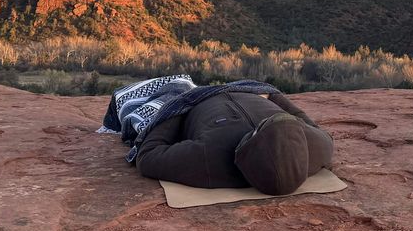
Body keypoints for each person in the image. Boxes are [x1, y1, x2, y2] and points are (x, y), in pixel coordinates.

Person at [103, 75, 334, 195]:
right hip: (248, 90)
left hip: (196, 101)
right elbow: (300, 116)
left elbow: (148, 156)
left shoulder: (210, 159)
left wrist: (177, 108)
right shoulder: (316, 147)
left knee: (170, 84)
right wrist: (273, 96)